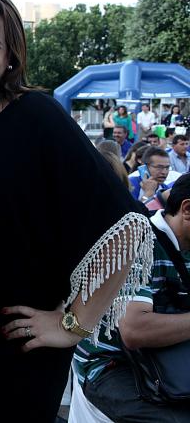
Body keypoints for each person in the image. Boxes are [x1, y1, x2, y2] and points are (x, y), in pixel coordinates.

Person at [0, 0, 153, 422]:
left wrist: (72, 323)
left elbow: (128, 227)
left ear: (10, 57)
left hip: (15, 346)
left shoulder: (38, 116)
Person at [72, 172, 190, 422]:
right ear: (187, 209)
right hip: (111, 364)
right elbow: (135, 330)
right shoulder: (139, 241)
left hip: (171, 358)